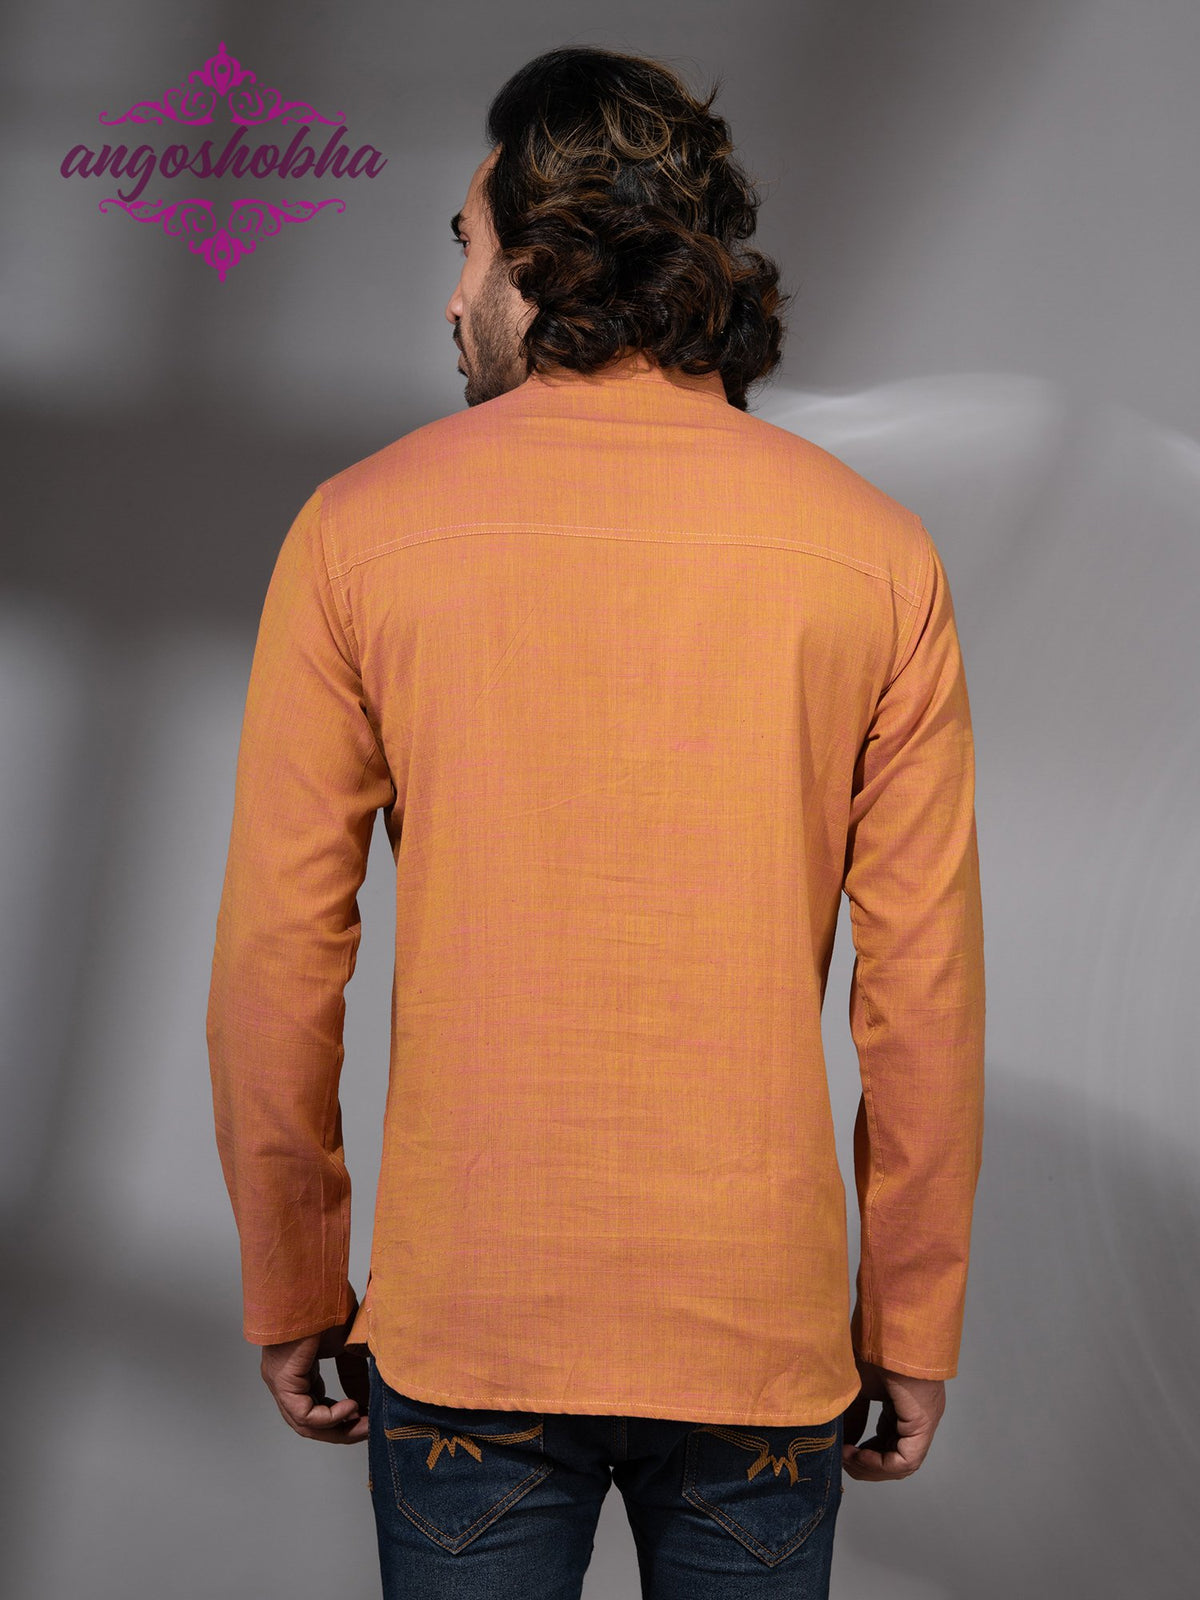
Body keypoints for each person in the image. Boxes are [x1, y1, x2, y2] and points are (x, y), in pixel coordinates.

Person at [206, 43, 985, 1599]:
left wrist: (292, 1276)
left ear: (544, 262)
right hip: (755, 1336)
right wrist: (910, 1320)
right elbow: (925, 995)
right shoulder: (878, 558)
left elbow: (280, 957)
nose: (452, 301)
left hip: (472, 1324)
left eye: (468, 249)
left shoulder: (357, 533)